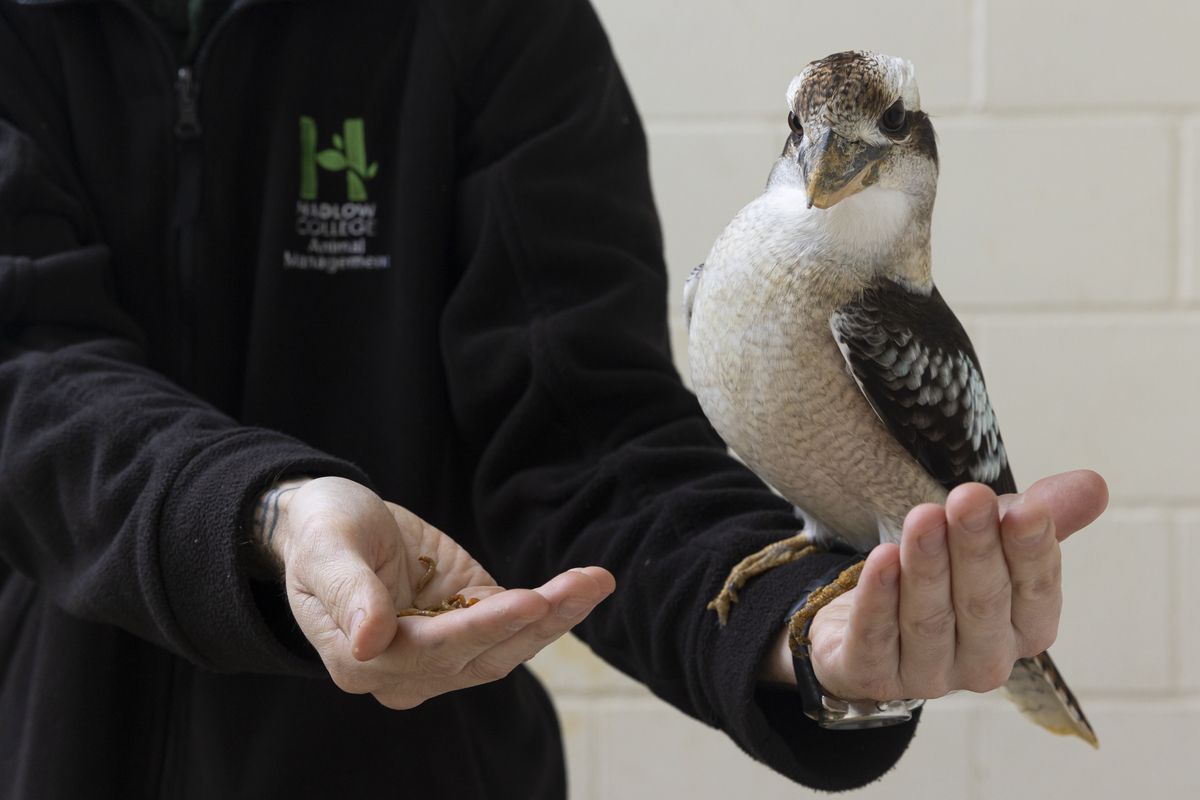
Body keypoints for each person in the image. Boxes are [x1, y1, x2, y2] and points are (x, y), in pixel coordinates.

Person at [0, 0, 1107, 797]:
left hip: (435, 757)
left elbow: (586, 430)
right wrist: (265, 513)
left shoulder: (499, 25)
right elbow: (24, 376)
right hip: (41, 741)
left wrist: (793, 626)